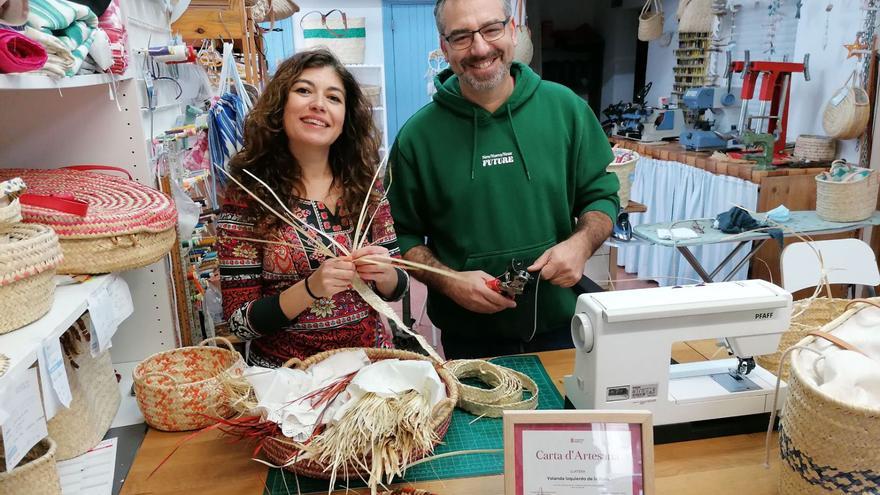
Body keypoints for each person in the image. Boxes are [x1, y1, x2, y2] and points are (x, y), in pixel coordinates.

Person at [387, 0, 619, 359]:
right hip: (469, 339)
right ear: (444, 46)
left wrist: (582, 243)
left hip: (563, 325)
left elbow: (601, 197)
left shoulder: (567, 111)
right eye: (461, 36)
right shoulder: (417, 137)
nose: (480, 48)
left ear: (513, 31)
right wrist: (448, 280)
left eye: (491, 29)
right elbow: (403, 234)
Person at [218, 49, 408, 367]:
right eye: (304, 90)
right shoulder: (249, 198)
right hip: (289, 381)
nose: (318, 104)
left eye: (333, 98)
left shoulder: (366, 187)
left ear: (346, 116)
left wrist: (386, 273)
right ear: (280, 106)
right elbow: (239, 323)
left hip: (371, 368)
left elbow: (397, 286)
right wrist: (311, 288)